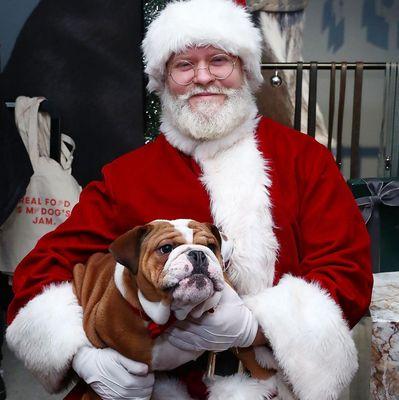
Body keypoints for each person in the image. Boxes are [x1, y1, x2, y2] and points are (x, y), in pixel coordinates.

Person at [6, 0, 372, 399]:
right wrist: (83, 357)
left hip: (273, 385)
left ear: (245, 71)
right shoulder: (127, 175)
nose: (202, 77)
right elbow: (42, 269)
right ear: (163, 79)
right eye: (183, 65)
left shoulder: (304, 160)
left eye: (218, 60)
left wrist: (259, 325)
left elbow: (346, 268)